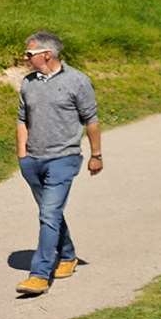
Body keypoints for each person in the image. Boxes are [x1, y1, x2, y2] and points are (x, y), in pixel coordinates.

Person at [15, 31, 102, 297]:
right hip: (32, 160)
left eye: (30, 54)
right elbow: (22, 119)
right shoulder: (28, 83)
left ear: (47, 54)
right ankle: (68, 255)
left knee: (49, 214)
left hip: (63, 159)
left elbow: (91, 120)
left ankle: (39, 275)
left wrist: (96, 155)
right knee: (49, 213)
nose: (26, 58)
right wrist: (22, 155)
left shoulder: (78, 81)